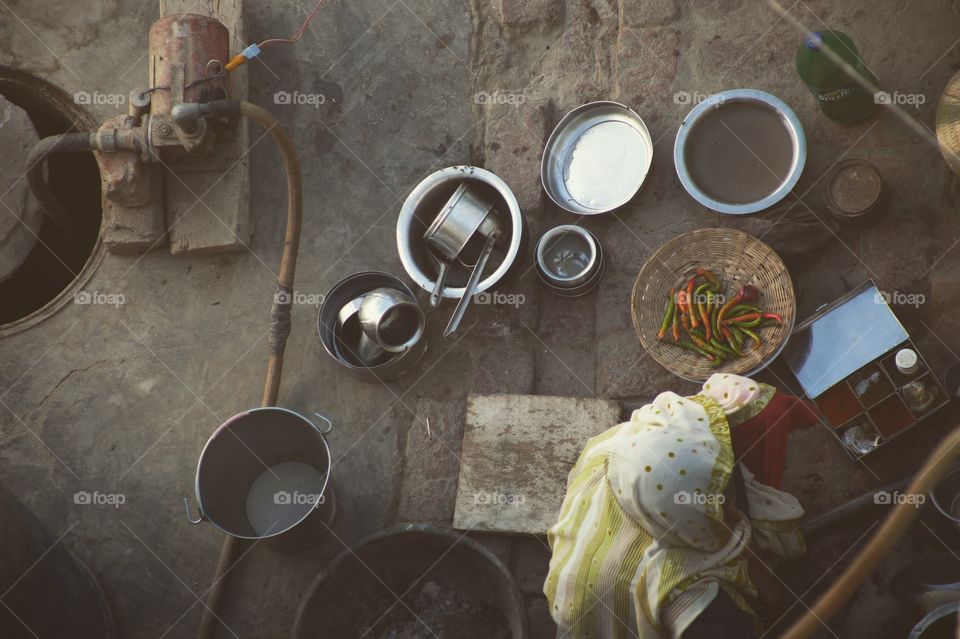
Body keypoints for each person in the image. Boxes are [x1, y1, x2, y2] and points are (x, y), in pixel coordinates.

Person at [544, 373, 818, 638]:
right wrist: (770, 593)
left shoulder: (616, 448)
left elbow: (730, 401)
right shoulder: (688, 597)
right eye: (721, 507)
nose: (735, 512)